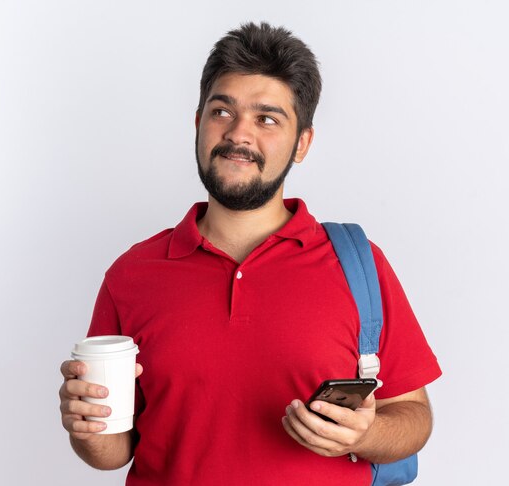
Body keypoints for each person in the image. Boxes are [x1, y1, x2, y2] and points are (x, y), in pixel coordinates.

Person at [59, 22, 441, 486]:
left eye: (267, 119)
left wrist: (364, 434)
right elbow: (111, 453)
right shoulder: (132, 274)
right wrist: (86, 424)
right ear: (198, 123)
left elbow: (413, 416)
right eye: (222, 111)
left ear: (302, 143)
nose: (239, 134)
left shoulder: (358, 264)